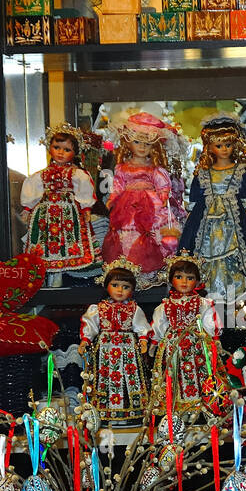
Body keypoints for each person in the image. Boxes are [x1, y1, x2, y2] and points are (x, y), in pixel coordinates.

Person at [179, 114, 246, 295]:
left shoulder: (241, 172)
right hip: (206, 216)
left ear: (235, 145)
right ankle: (205, 280)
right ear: (210, 147)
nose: (224, 149)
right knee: (202, 245)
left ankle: (235, 278)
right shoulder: (204, 173)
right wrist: (191, 216)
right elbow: (197, 195)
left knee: (239, 247)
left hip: (234, 216)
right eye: (219, 146)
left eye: (228, 145)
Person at [101, 112, 180, 277]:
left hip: (152, 205)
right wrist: (112, 199)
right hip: (126, 206)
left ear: (154, 147)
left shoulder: (156, 169)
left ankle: (152, 268)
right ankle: (128, 265)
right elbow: (117, 185)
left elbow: (163, 185)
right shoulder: (121, 168)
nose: (142, 147)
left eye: (147, 144)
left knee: (151, 233)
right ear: (128, 144)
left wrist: (164, 195)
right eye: (137, 142)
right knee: (127, 233)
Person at [21, 122, 97, 284]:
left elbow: (84, 191)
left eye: (67, 149)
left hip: (69, 212)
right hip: (45, 213)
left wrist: (86, 209)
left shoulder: (77, 174)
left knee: (68, 240)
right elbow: (33, 191)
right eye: (57, 147)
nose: (61, 152)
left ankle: (64, 276)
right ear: (50, 148)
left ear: (74, 152)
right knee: (45, 240)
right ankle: (49, 276)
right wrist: (28, 208)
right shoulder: (41, 175)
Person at [146, 253, 221, 414]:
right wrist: (154, 343)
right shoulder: (166, 305)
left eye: (190, 277)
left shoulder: (202, 303)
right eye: (179, 277)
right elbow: (159, 324)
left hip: (197, 343)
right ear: (171, 280)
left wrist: (214, 341)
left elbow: (210, 322)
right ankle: (176, 409)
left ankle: (202, 407)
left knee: (200, 372)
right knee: (174, 373)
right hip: (173, 344)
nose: (184, 282)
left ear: (198, 281)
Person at [78, 258, 149, 423]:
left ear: (132, 290)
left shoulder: (134, 309)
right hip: (105, 349)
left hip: (128, 350)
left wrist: (143, 340)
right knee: (106, 377)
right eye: (115, 285)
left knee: (129, 378)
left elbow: (141, 326)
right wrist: (85, 341)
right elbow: (90, 326)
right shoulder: (98, 309)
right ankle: (105, 411)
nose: (119, 291)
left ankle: (130, 411)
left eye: (125, 287)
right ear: (106, 286)